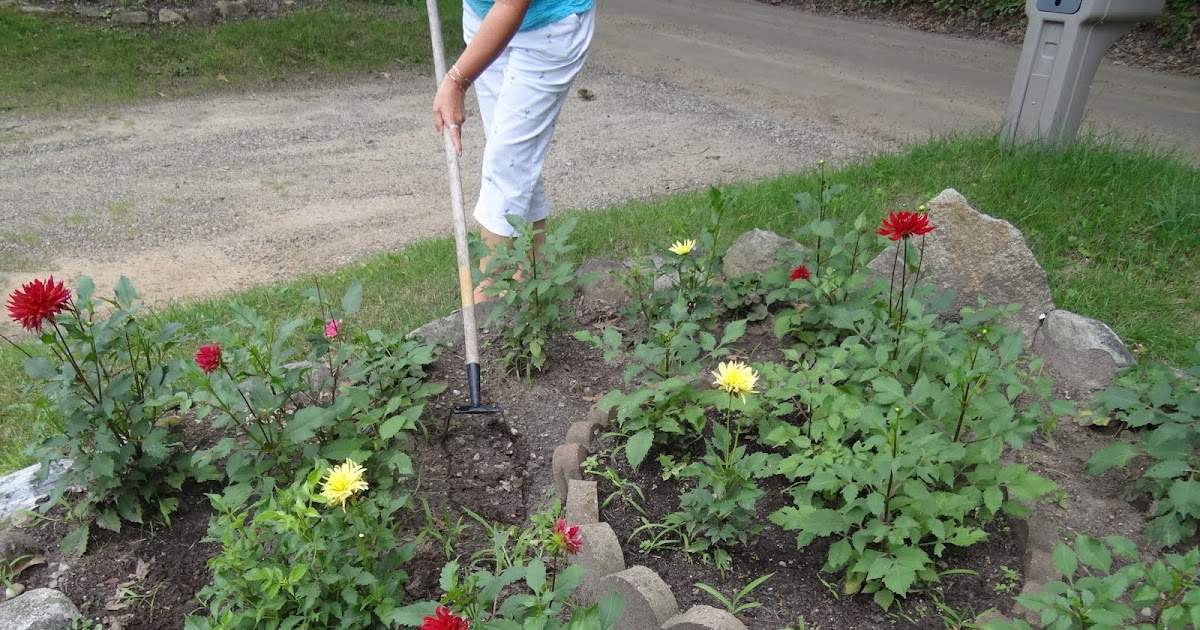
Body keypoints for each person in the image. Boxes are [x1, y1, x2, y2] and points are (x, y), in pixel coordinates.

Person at [431, 0, 596, 303]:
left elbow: (511, 3)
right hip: (484, 18)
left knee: (505, 166)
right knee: (515, 163)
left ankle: (483, 318)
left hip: (547, 28)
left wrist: (456, 81)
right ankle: (535, 295)